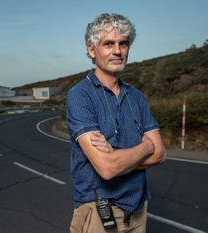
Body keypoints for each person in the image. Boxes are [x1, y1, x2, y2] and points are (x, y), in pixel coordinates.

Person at [67, 13, 166, 233]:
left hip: (139, 210)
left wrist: (118, 157)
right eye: (108, 44)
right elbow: (107, 168)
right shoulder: (80, 96)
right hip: (99, 213)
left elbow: (160, 153)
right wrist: (145, 146)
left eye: (123, 43)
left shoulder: (138, 97)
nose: (117, 51)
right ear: (92, 50)